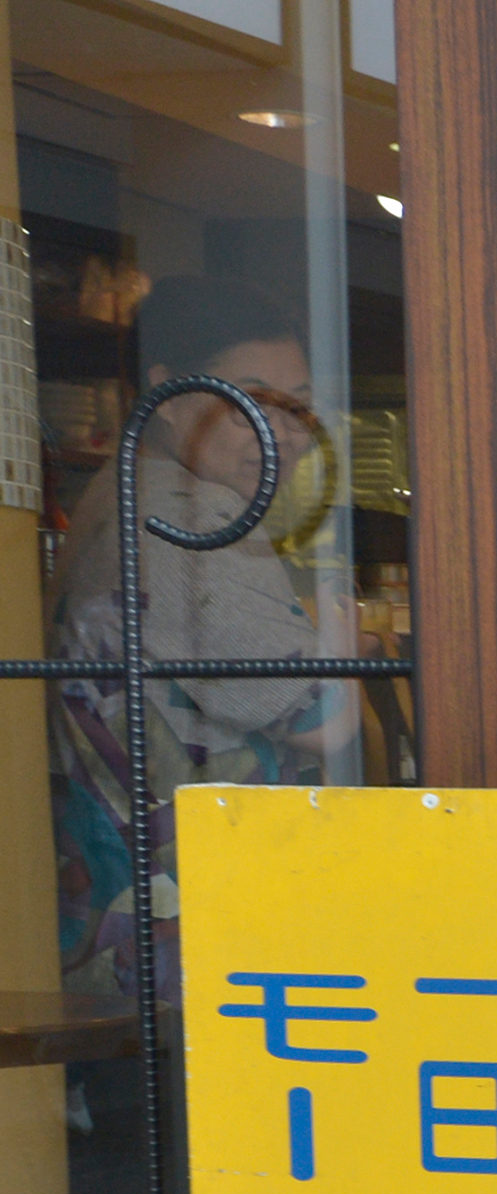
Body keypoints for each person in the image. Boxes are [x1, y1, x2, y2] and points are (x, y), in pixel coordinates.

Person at [50, 275, 348, 1001]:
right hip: (183, 941)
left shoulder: (122, 493)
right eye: (247, 396)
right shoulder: (191, 518)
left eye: (296, 400)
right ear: (168, 393)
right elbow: (327, 722)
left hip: (122, 921)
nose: (278, 426)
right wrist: (344, 636)